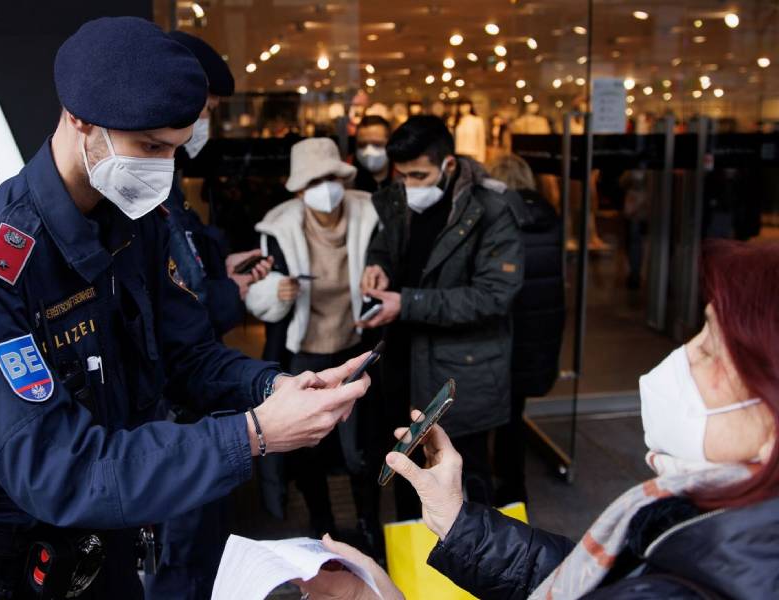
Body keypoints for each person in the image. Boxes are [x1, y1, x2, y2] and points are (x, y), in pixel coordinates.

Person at [0, 18, 370, 598]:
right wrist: (254, 435)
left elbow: (187, 357)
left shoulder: (140, 224)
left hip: (116, 541)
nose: (163, 169)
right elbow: (60, 468)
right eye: (151, 148)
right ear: (80, 119)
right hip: (24, 569)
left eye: (175, 148)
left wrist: (276, 388)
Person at [303, 239, 779, 600]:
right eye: (699, 332)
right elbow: (589, 578)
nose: (683, 358)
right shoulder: (711, 521)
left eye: (713, 350)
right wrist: (457, 521)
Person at [144, 31, 272, 600]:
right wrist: (231, 291)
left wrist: (223, 263)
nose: (205, 126)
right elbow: (175, 310)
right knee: (181, 566)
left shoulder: (167, 184)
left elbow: (186, 268)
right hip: (173, 422)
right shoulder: (141, 189)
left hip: (200, 404)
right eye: (207, 112)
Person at [359, 115, 523, 516]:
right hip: (402, 362)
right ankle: (410, 571)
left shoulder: (492, 209)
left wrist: (407, 303)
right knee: (407, 471)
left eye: (419, 175)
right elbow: (387, 246)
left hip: (457, 372)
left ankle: (474, 573)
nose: (410, 185)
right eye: (404, 176)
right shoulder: (399, 198)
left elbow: (493, 296)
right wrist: (376, 263)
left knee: (463, 479)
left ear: (448, 165)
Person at [246, 138, 383, 550]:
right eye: (314, 181)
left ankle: (369, 522)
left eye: (331, 178)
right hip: (304, 349)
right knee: (311, 446)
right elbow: (258, 297)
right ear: (299, 189)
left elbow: (387, 264)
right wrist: (276, 292)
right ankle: (321, 524)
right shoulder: (279, 226)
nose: (325, 189)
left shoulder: (369, 214)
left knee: (363, 445)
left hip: (356, 343)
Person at [488, 154, 565, 506]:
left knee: (493, 413)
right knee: (514, 412)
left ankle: (501, 483)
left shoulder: (498, 217)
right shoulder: (549, 214)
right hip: (538, 328)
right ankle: (513, 485)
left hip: (504, 331)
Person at [353, 115, 394, 194]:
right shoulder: (347, 178)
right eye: (362, 145)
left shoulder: (404, 176)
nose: (369, 151)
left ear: (390, 144)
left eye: (377, 144)